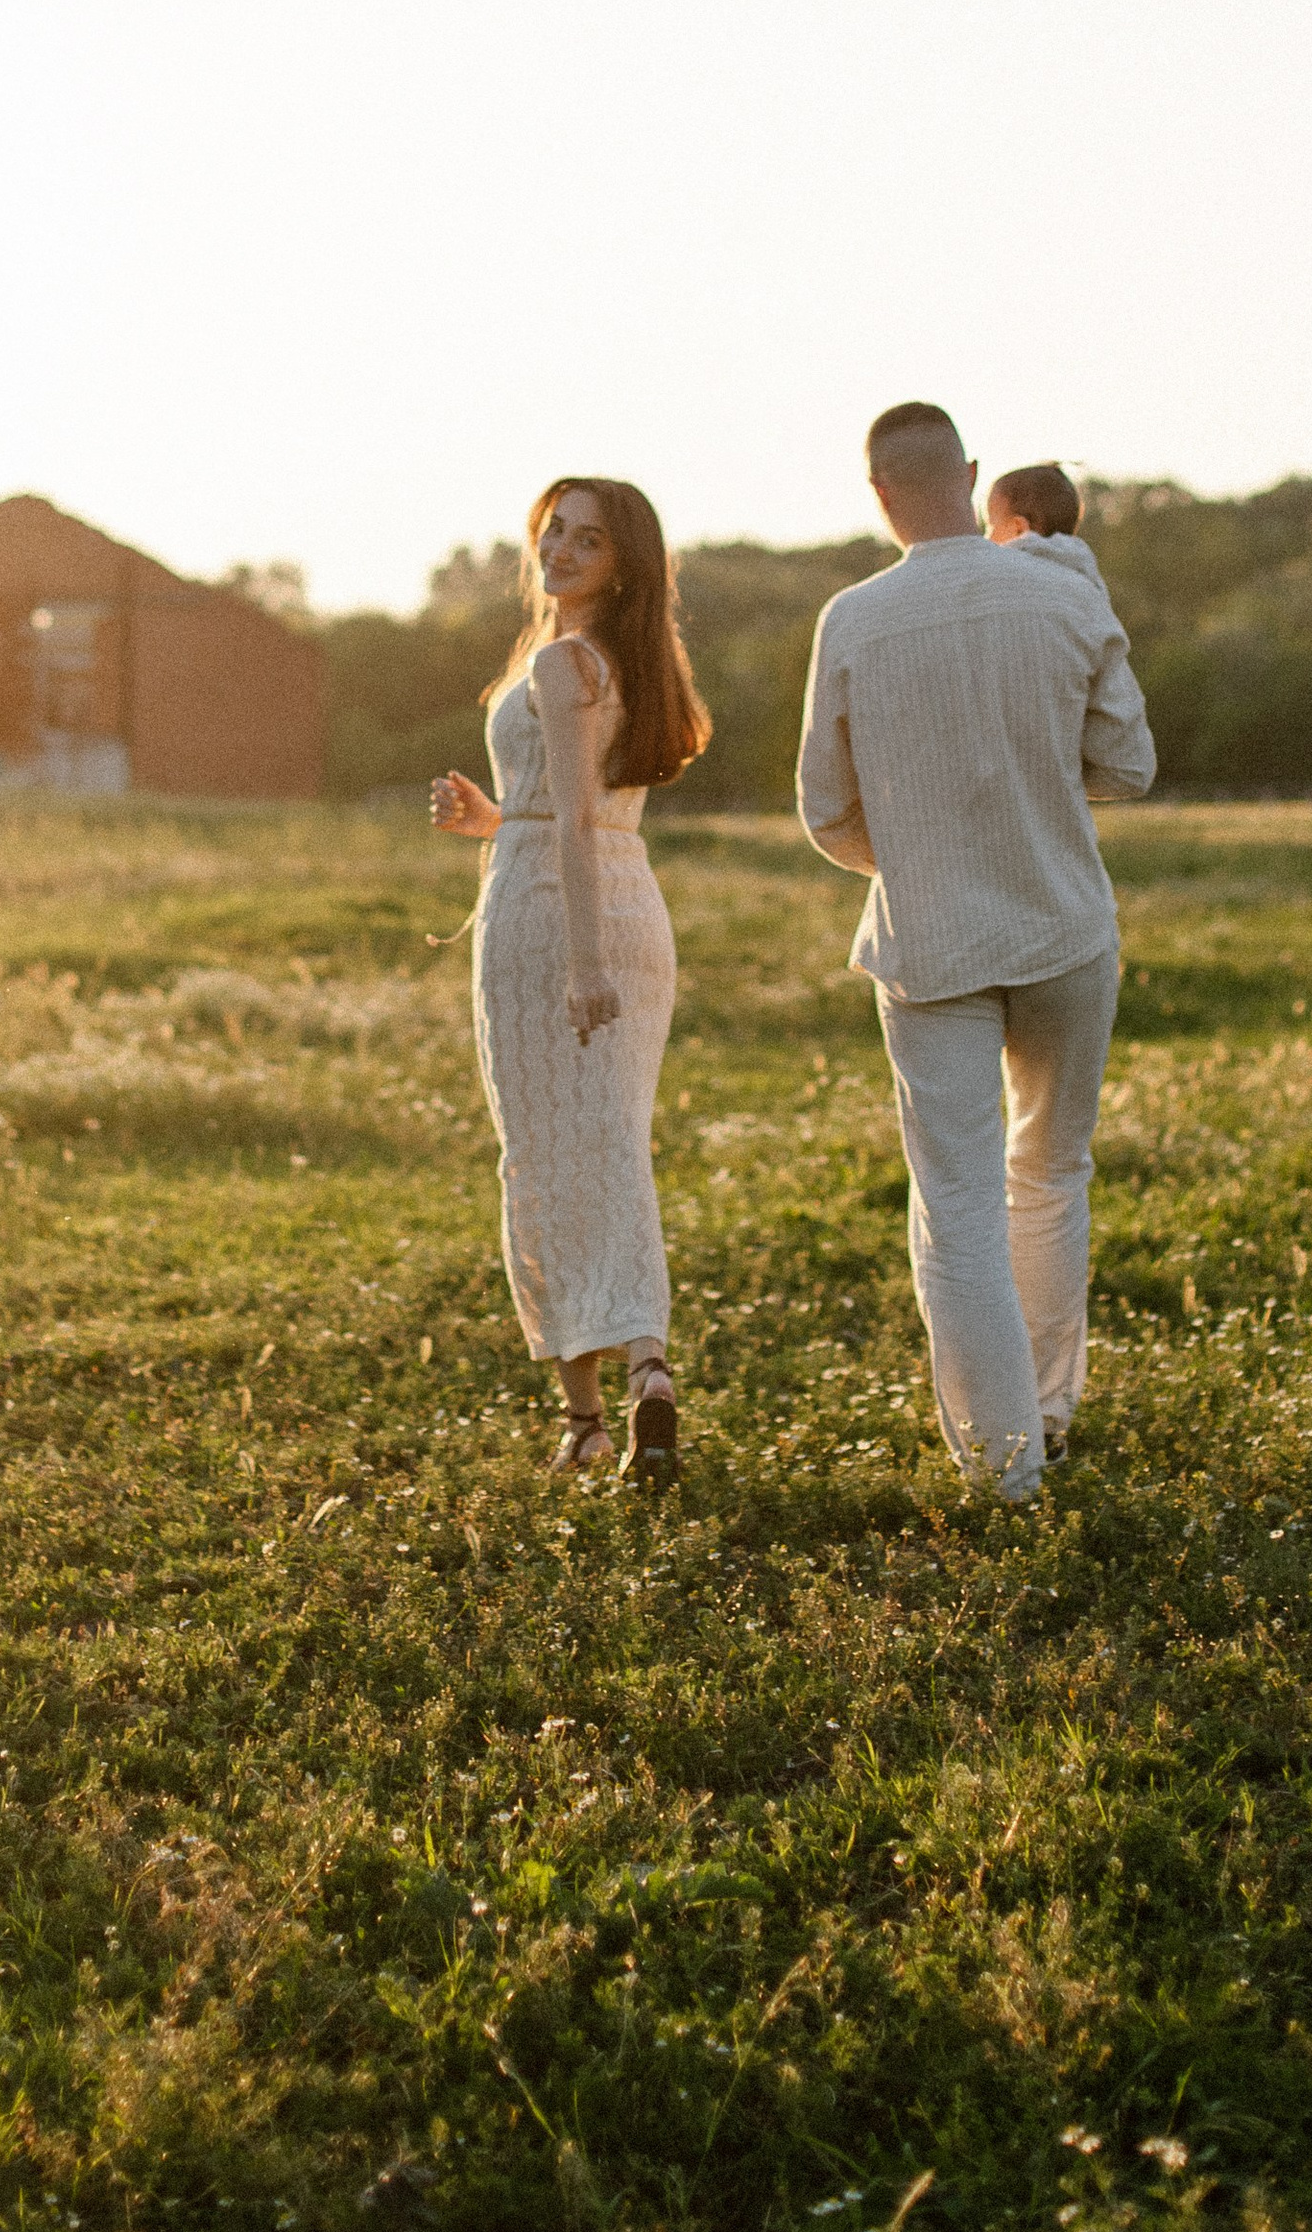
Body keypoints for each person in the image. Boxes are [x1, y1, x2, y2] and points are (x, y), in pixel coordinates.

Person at [797, 403, 1155, 1498]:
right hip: (1060, 925)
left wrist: (914, 853)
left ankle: (1002, 1470)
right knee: (1050, 1171)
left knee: (954, 1202)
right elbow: (1128, 766)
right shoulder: (1066, 593)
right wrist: (1035, 793)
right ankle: (1047, 1413)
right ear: (972, 473)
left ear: (877, 493)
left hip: (930, 943)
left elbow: (823, 810)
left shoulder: (851, 620)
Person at [431, 480, 710, 1484]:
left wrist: (584, 962)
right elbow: (578, 810)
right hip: (625, 898)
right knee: (612, 1142)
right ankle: (647, 1370)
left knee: (546, 1155)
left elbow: (577, 824)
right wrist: (495, 820)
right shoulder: (630, 663)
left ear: (622, 564)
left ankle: (591, 1414)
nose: (560, 548)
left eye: (588, 539)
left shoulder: (559, 662)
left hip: (557, 918)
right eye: (555, 529)